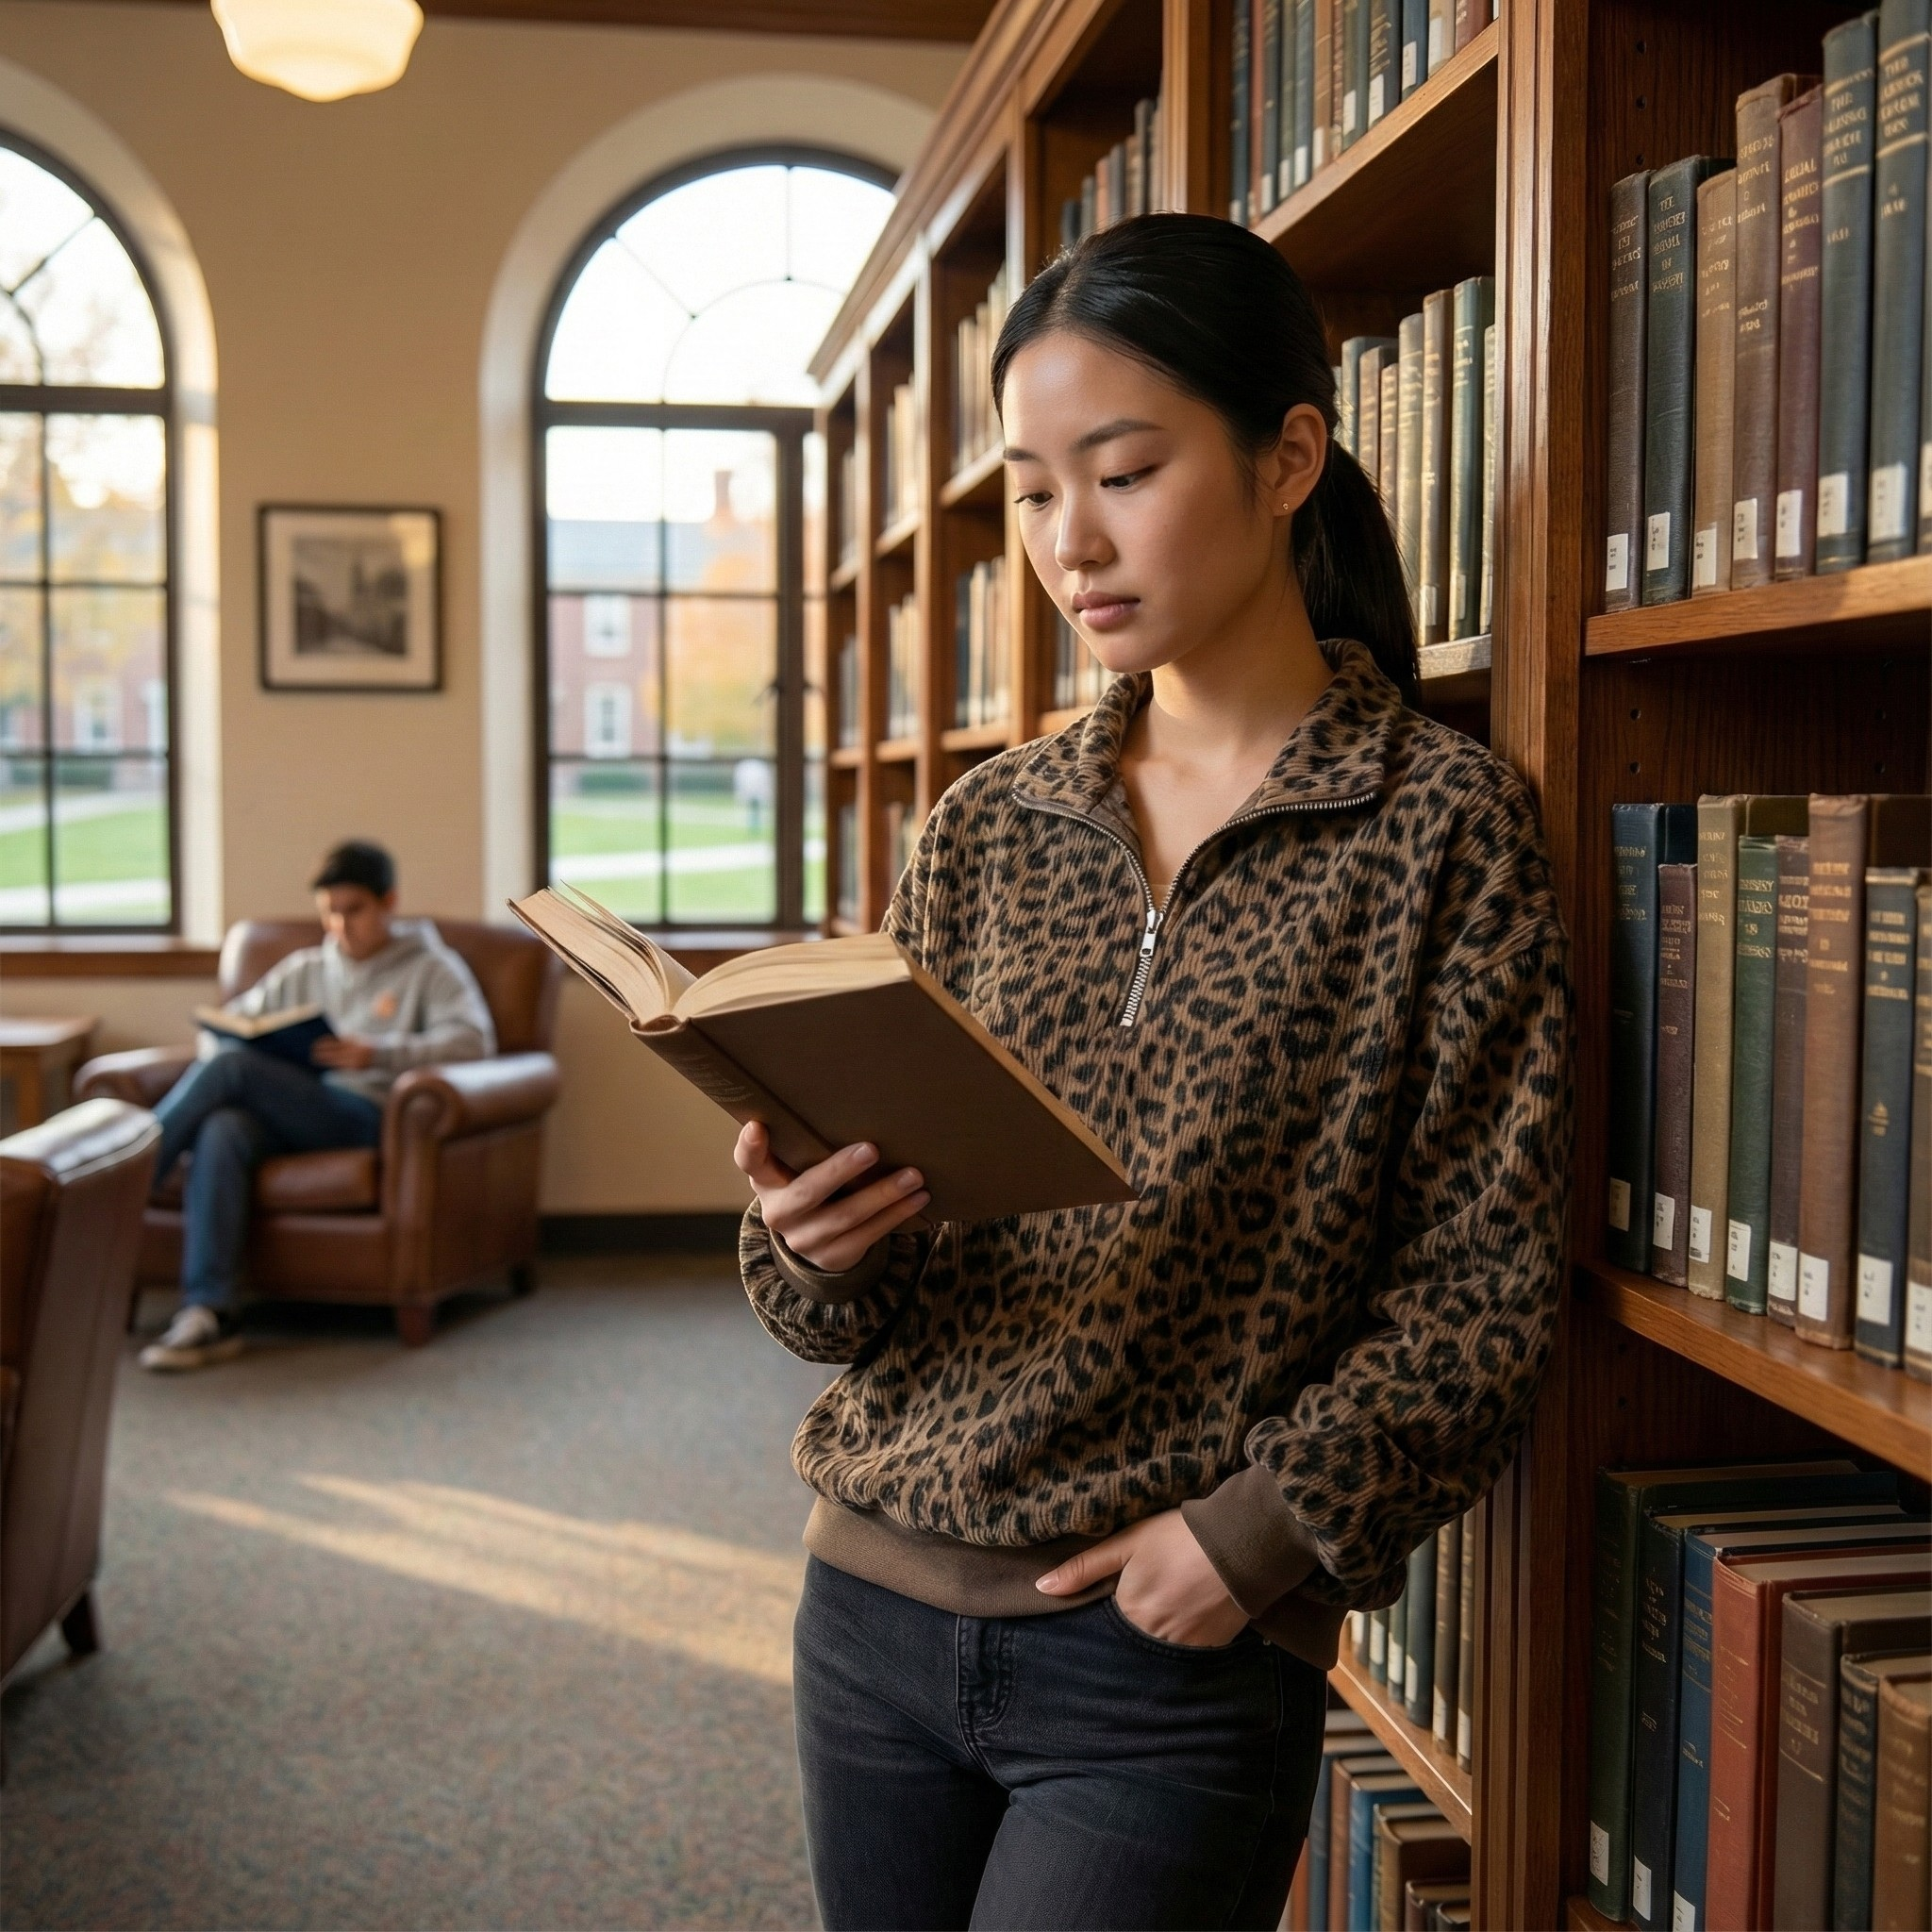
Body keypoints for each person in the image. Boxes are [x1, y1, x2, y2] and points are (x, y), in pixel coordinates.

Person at [734, 214, 1574, 1932]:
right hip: (869, 1607)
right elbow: (849, 1292)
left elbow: (1483, 1283)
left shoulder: (1437, 825)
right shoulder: (986, 821)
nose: (1067, 541)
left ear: (1286, 457)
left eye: (1119, 472)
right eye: (1033, 490)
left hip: (1159, 1652)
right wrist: (811, 1246)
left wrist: (1258, 1533)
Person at [138, 840, 495, 1373]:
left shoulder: (432, 968)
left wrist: (377, 1052)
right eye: (330, 912)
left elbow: (475, 1042)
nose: (342, 926)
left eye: (355, 911)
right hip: (289, 1113)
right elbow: (226, 1030)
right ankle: (209, 1312)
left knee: (232, 1072)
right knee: (224, 1127)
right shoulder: (303, 970)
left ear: (389, 902)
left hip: (365, 1117)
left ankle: (123, 1185)